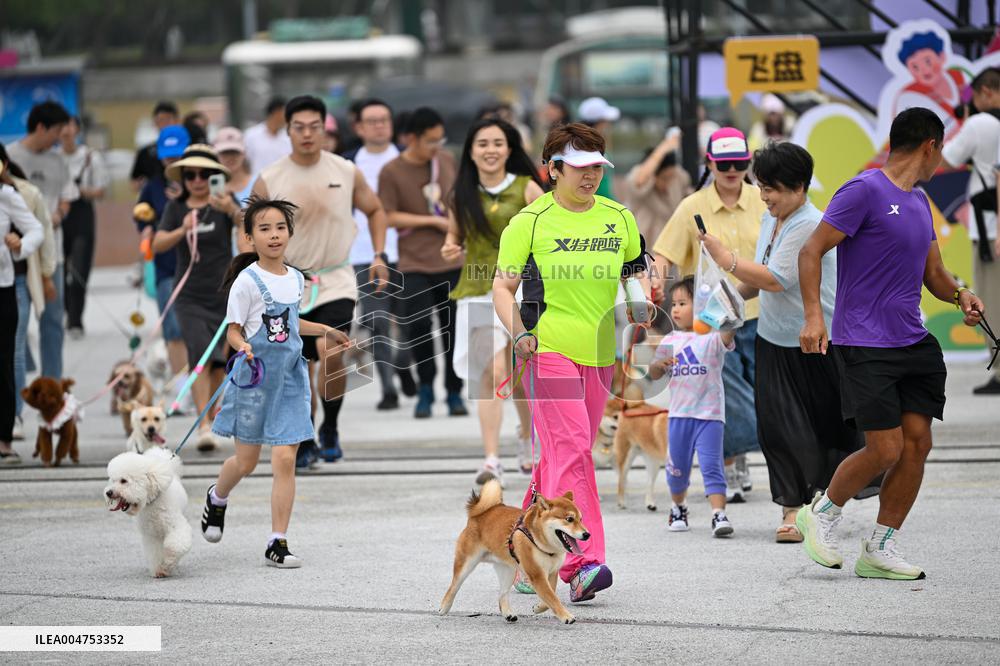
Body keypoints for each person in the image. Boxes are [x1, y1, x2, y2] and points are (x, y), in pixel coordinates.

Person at [796, 107, 985, 580]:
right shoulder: (863, 190)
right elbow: (811, 250)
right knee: (885, 450)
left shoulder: (920, 202)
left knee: (917, 444)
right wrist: (814, 316)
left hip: (913, 341)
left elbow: (934, 274)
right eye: (941, 150)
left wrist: (960, 294)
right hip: (864, 341)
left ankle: (879, 547)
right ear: (930, 146)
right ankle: (821, 512)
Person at [493, 122, 649, 603]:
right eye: (580, 167)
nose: (590, 176)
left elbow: (634, 270)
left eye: (597, 167)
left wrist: (640, 301)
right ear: (553, 169)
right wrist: (519, 333)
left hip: (601, 353)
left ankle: (522, 550)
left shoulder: (619, 217)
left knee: (558, 459)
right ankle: (581, 564)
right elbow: (502, 287)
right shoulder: (529, 221)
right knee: (576, 449)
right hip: (547, 350)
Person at [699, 141, 872, 542]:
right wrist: (728, 302)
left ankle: (819, 505)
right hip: (772, 338)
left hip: (814, 340)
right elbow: (762, 277)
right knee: (778, 429)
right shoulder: (771, 218)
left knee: (820, 430)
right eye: (761, 187)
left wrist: (726, 259)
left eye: (771, 189)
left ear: (799, 187)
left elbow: (777, 278)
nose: (764, 196)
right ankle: (792, 509)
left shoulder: (809, 223)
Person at [202, 196, 350, 567]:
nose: (273, 235)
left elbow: (292, 323)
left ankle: (277, 541)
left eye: (280, 228)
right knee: (246, 462)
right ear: (249, 237)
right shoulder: (246, 282)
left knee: (285, 459)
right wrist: (243, 346)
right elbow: (233, 330)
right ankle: (217, 497)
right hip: (254, 383)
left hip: (290, 381)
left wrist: (327, 330)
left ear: (290, 233)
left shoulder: (296, 278)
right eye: (264, 229)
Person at [252, 95, 389, 468]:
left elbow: (375, 210)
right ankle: (305, 435)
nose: (307, 134)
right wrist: (252, 273)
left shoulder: (345, 170)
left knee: (331, 350)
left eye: (315, 127)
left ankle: (330, 425)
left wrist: (378, 255)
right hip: (286, 283)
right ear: (288, 130)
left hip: (335, 279)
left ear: (325, 128)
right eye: (299, 127)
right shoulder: (270, 178)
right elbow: (248, 229)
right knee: (296, 364)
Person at [651, 126, 765, 501]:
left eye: (739, 163)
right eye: (724, 164)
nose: (732, 171)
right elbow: (664, 253)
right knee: (723, 395)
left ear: (748, 163)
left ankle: (740, 455)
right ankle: (728, 465)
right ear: (710, 164)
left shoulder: (763, 199)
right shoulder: (692, 207)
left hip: (762, 313)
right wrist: (655, 284)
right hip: (712, 323)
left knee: (762, 394)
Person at [441, 118, 544, 485]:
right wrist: (450, 247)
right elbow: (453, 237)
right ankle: (491, 459)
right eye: (482, 143)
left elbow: (547, 235)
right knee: (492, 372)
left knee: (520, 374)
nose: (490, 150)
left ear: (509, 149)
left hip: (521, 291)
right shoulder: (461, 194)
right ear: (471, 151)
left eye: (498, 143)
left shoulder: (528, 188)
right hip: (477, 291)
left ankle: (527, 437)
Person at [153, 144, 248, 452]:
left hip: (224, 293)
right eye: (190, 175)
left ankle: (209, 415)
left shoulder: (224, 202)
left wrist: (230, 210)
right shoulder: (176, 208)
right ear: (182, 178)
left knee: (220, 360)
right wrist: (182, 230)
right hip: (189, 295)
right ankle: (203, 425)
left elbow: (248, 225)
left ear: (214, 176)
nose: (197, 180)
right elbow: (158, 244)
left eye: (204, 174)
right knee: (200, 355)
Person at [378, 107, 467, 419]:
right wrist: (431, 221)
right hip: (413, 263)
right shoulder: (391, 171)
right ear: (411, 138)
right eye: (430, 141)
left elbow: (458, 200)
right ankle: (425, 387)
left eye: (439, 140)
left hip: (452, 259)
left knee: (453, 328)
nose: (436, 146)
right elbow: (388, 215)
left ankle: (454, 390)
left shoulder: (446, 160)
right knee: (418, 327)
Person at [647, 277, 736, 537]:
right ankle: (678, 507)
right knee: (677, 469)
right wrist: (658, 365)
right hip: (679, 416)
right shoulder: (670, 340)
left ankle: (718, 514)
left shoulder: (713, 338)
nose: (675, 309)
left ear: (702, 306)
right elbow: (652, 373)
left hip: (710, 416)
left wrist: (727, 307)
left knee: (712, 466)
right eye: (674, 304)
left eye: (682, 303)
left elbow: (729, 331)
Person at [343, 99, 407, 410]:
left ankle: (404, 365)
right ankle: (388, 388)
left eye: (384, 119)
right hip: (364, 255)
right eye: (372, 121)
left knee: (408, 322)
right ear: (359, 127)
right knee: (378, 322)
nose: (379, 125)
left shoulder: (407, 158)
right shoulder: (348, 164)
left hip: (407, 252)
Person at [939, 67, 1000, 394]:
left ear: (986, 91)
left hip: (991, 227)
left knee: (992, 298)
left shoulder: (981, 123)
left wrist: (964, 124)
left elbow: (947, 159)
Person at [8, 101, 77, 381]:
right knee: (16, 319)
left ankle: (52, 382)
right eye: (57, 131)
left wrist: (56, 216)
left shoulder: (57, 161)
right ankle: (21, 374)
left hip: (51, 253)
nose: (59, 138)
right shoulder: (10, 156)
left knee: (52, 319)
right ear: (40, 127)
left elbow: (67, 198)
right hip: (17, 254)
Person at [2, 145, 56, 443]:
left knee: (13, 351)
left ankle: (13, 418)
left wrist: (21, 245)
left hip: (12, 282)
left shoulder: (16, 194)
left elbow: (40, 232)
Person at [135, 125, 190, 376]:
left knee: (198, 328)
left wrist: (183, 197)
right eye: (168, 156)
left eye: (177, 155)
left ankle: (200, 384)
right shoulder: (153, 186)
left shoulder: (197, 182)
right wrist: (146, 228)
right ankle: (180, 386)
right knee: (173, 329)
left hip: (197, 265)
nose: (172, 161)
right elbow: (141, 214)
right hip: (166, 265)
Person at [0, 167, 44, 463]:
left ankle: (4, 439)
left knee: (3, 361)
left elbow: (36, 230)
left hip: (3, 287)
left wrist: (20, 245)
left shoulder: (6, 195)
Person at [59, 116, 108, 339]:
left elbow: (101, 190)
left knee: (79, 268)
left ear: (77, 129)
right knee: (59, 270)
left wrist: (78, 190)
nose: (66, 131)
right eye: (61, 126)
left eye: (70, 125)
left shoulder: (89, 156)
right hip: (59, 215)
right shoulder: (53, 158)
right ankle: (67, 312)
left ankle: (75, 320)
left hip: (82, 215)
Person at [622, 131, 691, 244]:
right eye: (664, 178)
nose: (668, 183)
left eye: (671, 178)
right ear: (654, 174)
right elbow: (639, 181)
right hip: (642, 246)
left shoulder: (679, 177)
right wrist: (663, 148)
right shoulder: (641, 178)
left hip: (672, 244)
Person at [577, 97, 620, 200]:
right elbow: (602, 191)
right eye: (605, 121)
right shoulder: (589, 147)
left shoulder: (588, 143)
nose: (608, 124)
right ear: (599, 122)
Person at [131, 100, 179, 190]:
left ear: (177, 121)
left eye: (168, 120)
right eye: (161, 120)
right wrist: (143, 185)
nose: (165, 124)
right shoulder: (145, 153)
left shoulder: (186, 148)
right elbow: (135, 182)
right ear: (155, 123)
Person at [244, 96, 291, 174]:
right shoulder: (251, 135)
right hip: (257, 180)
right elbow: (245, 163)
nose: (287, 118)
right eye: (285, 113)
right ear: (276, 112)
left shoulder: (288, 138)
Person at [213, 127, 255, 205]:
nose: (230, 157)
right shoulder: (210, 185)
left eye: (234, 152)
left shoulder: (258, 183)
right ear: (217, 155)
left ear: (244, 153)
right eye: (225, 152)